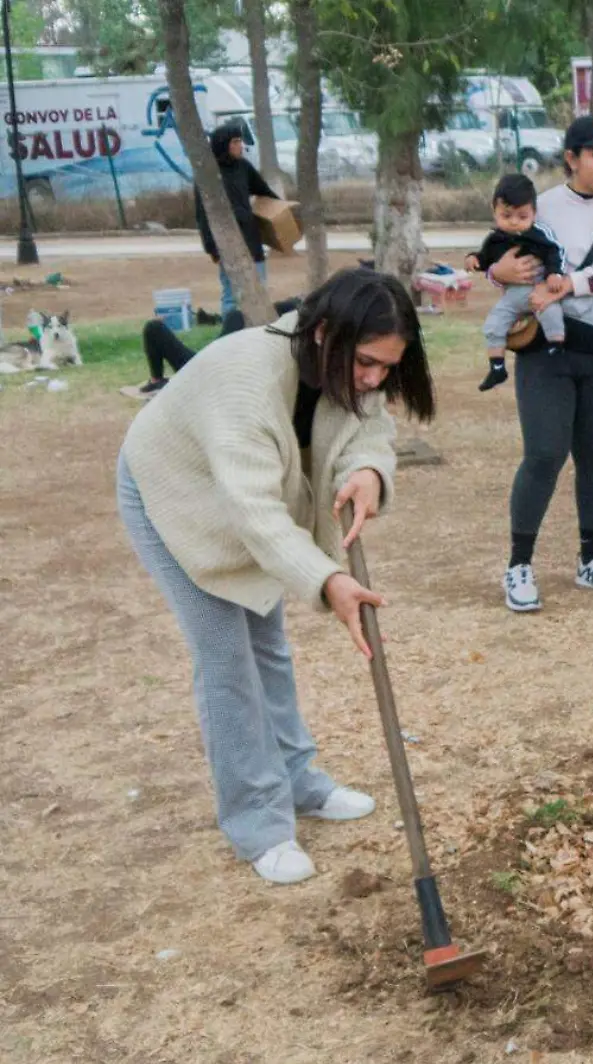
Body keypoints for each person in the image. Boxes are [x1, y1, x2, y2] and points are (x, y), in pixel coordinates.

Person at [116, 269, 434, 885]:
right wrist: (327, 580)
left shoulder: (348, 364)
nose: (373, 379)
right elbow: (255, 516)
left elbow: (370, 428)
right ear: (323, 334)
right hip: (173, 497)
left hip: (239, 497)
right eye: (367, 363)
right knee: (226, 660)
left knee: (268, 646)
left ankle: (298, 780)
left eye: (386, 367)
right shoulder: (246, 382)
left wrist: (369, 469)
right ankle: (256, 820)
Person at [487, 114, 593, 613]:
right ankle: (519, 564)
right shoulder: (544, 206)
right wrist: (498, 272)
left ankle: (592, 559)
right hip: (546, 350)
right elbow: (508, 255)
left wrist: (572, 283)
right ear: (571, 158)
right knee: (543, 453)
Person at [468, 173, 571, 394]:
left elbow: (556, 252)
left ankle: (557, 349)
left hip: (539, 291)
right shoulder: (495, 239)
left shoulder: (539, 234)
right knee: (494, 324)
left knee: (551, 313)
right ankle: (497, 366)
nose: (514, 222)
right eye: (506, 215)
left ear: (534, 213)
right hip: (512, 296)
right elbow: (485, 260)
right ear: (494, 211)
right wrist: (474, 260)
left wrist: (555, 274)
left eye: (522, 216)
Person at [195, 120, 277, 316]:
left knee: (259, 289)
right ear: (223, 144)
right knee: (232, 295)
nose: (241, 146)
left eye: (241, 141)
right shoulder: (208, 175)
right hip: (227, 242)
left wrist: (282, 215)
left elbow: (265, 193)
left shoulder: (243, 167)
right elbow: (202, 215)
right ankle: (230, 334)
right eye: (235, 142)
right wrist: (211, 247)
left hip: (251, 239)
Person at [136, 298, 302, 395]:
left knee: (153, 327)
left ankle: (156, 380)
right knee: (235, 315)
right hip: (208, 362)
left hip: (204, 370)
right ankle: (157, 380)